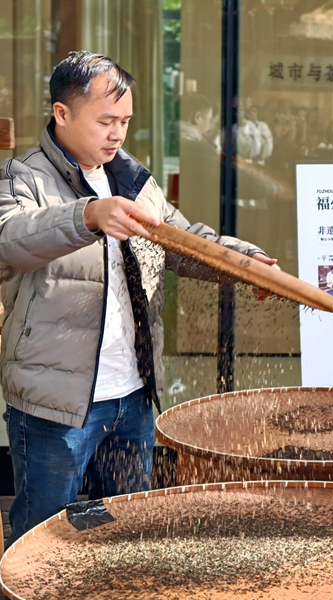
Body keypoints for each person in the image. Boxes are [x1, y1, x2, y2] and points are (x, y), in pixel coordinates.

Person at [0, 52, 275, 547]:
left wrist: (243, 260)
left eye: (125, 121)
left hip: (132, 395)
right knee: (41, 538)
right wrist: (88, 215)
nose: (117, 134)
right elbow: (11, 240)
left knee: (125, 535)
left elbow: (184, 240)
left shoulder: (134, 180)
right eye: (106, 121)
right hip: (56, 405)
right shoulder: (23, 178)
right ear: (62, 114)